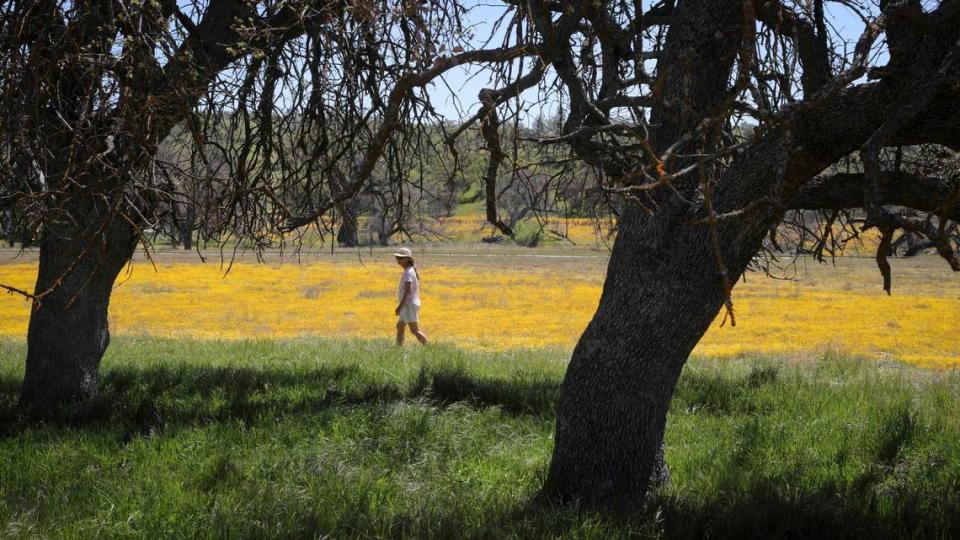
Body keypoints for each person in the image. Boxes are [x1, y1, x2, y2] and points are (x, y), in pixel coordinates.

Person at [393, 247, 428, 345]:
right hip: (407, 304)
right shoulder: (409, 270)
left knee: (414, 330)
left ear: (408, 259)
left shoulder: (408, 272)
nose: (398, 260)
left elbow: (407, 291)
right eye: (397, 258)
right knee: (400, 326)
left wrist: (400, 307)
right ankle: (398, 349)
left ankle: (429, 348)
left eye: (400, 258)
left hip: (409, 305)